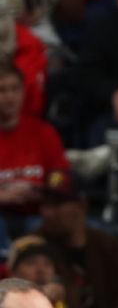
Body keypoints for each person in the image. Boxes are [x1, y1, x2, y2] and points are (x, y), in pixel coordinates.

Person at [37, 169, 118, 308]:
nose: (48, 213)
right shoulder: (35, 247)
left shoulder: (109, 247)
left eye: (58, 204)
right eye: (46, 204)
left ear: (82, 206)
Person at [0, 63, 69, 247]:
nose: (9, 96)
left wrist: (44, 190)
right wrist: (4, 196)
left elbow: (60, 176)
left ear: (23, 92)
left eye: (15, 89)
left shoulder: (43, 132)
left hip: (37, 213)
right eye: (2, 90)